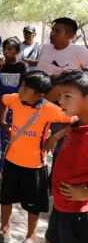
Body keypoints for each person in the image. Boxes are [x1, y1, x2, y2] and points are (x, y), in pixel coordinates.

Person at [0, 71, 74, 243]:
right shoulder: (14, 99)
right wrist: (2, 121)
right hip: (11, 160)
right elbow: (3, 101)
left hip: (35, 165)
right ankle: (3, 231)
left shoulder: (49, 109)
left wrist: (54, 137)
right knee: (6, 198)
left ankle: (30, 238)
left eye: (26, 88)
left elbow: (73, 120)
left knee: (33, 205)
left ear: (40, 95)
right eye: (22, 85)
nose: (20, 89)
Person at [37, 18, 88, 186]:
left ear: (70, 36)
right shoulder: (44, 48)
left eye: (57, 31)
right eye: (52, 30)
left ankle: (54, 182)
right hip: (40, 104)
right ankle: (36, 176)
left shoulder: (79, 52)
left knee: (59, 146)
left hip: (63, 107)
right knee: (37, 141)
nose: (52, 34)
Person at [45, 68, 88, 243]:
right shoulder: (76, 122)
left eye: (68, 96)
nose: (60, 100)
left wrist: (86, 194)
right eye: (60, 94)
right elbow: (71, 125)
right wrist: (55, 136)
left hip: (79, 212)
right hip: (62, 206)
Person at [0, 37, 29, 185]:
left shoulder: (22, 66)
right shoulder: (0, 65)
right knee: (5, 139)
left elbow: (23, 89)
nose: (6, 52)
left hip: (18, 107)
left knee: (17, 138)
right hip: (2, 106)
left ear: (17, 51)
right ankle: (1, 170)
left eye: (10, 49)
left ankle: (11, 170)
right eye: (4, 49)